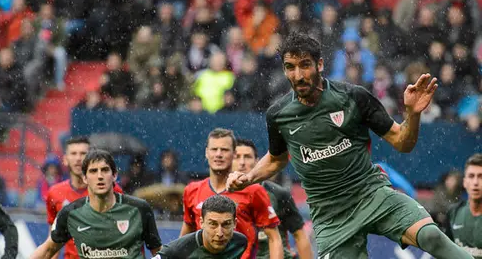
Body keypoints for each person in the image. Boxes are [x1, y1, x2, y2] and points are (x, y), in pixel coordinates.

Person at [226, 32, 472, 259]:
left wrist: (413, 115)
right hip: (330, 217)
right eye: (290, 67)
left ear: (320, 65)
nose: (298, 75)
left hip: (372, 194)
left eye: (305, 65)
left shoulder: (353, 97)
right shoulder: (278, 115)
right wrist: (249, 177)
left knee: (430, 236)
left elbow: (402, 142)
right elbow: (276, 158)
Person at [31, 149, 162, 259]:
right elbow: (48, 250)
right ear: (84, 178)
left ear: (114, 175)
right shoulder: (70, 213)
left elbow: (158, 252)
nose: (100, 176)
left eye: (105, 170)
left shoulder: (139, 209)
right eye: (93, 171)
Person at [181, 129, 282, 259]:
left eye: (224, 150)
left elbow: (274, 238)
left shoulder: (253, 191)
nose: (218, 154)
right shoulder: (191, 190)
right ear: (206, 152)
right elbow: (184, 239)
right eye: (214, 149)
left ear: (234, 154)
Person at [233, 139, 313, 259]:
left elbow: (299, 235)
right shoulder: (221, 197)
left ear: (257, 162)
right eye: (237, 157)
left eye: (247, 157)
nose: (242, 162)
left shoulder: (278, 194)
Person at [45, 136, 123, 259]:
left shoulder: (113, 190)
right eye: (73, 153)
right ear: (65, 159)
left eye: (83, 153)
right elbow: (53, 242)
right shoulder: (55, 193)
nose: (78, 158)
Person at [154, 195, 248, 258]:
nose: (219, 233)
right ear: (201, 223)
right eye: (213, 224)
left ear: (235, 223)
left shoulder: (240, 243)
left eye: (226, 224)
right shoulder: (175, 251)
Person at [444, 153, 482, 257]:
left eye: (481, 176)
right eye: (471, 176)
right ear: (465, 182)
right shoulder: (453, 213)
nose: (475, 182)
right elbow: (445, 253)